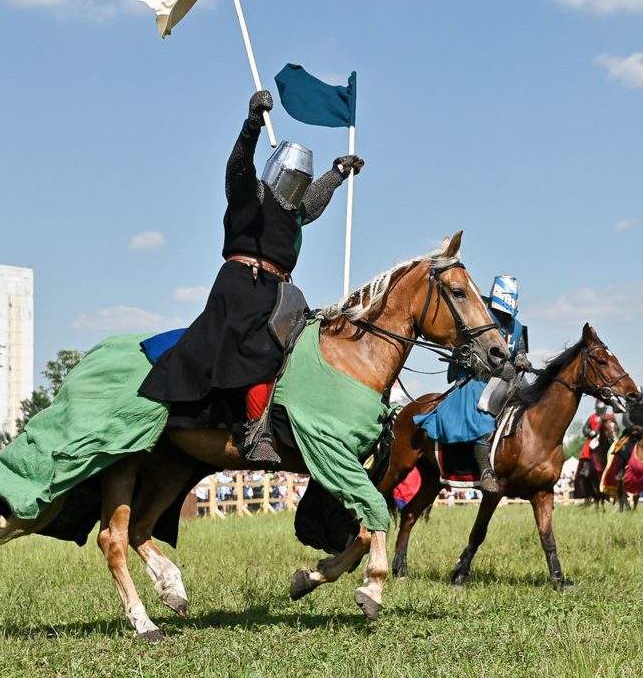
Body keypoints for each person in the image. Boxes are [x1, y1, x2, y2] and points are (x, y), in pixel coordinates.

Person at [140, 90, 362, 465]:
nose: (297, 182)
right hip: (243, 287)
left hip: (280, 293)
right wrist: (252, 126)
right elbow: (238, 169)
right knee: (264, 351)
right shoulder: (251, 196)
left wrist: (338, 173)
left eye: (303, 179)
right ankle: (256, 430)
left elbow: (314, 203)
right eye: (294, 175)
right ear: (277, 171)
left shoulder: (294, 211)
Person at [413, 275, 530, 493]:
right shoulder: (480, 313)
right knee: (484, 411)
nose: (504, 317)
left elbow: (520, 350)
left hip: (508, 379)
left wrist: (522, 359)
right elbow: (464, 348)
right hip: (475, 376)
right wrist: (494, 367)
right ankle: (485, 471)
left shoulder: (517, 326)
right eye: (503, 312)